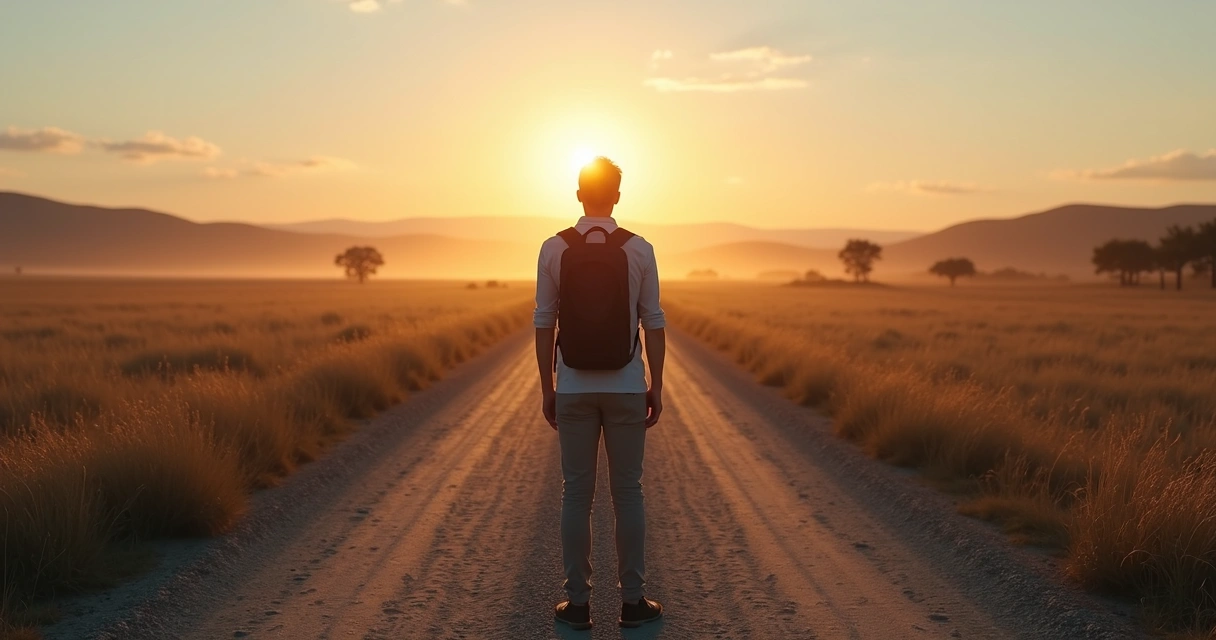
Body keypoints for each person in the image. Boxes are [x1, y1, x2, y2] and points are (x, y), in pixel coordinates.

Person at [533, 156, 666, 630]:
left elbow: (544, 322)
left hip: (572, 388)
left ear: (577, 194)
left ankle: (579, 606)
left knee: (576, 494)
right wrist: (656, 385)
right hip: (627, 386)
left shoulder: (553, 248)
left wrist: (549, 388)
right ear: (617, 195)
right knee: (628, 493)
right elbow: (653, 321)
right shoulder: (639, 249)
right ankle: (633, 604)